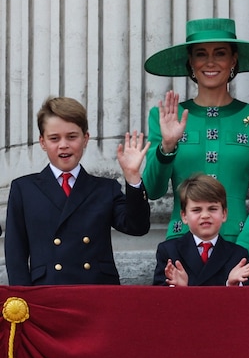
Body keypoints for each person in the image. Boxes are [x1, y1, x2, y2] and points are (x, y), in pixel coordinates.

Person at [143, 18, 249, 284]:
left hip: (239, 250)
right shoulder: (166, 116)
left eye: (220, 53)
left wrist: (244, 251)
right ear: (190, 62)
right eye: (201, 54)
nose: (210, 62)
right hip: (182, 249)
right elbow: (153, 189)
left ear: (233, 60)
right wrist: (167, 146)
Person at [4, 97, 151, 285]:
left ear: (85, 139)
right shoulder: (24, 189)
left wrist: (132, 177)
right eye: (54, 138)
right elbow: (15, 253)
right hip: (47, 292)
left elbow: (137, 227)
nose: (63, 145)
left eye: (72, 137)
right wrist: (21, 301)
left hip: (97, 292)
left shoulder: (105, 188)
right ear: (42, 142)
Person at [153, 173, 249, 286]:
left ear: (224, 214)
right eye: (197, 210)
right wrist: (180, 289)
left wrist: (231, 285)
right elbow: (158, 299)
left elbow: (245, 301)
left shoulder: (238, 255)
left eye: (212, 209)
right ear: (184, 216)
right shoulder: (169, 251)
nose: (205, 215)